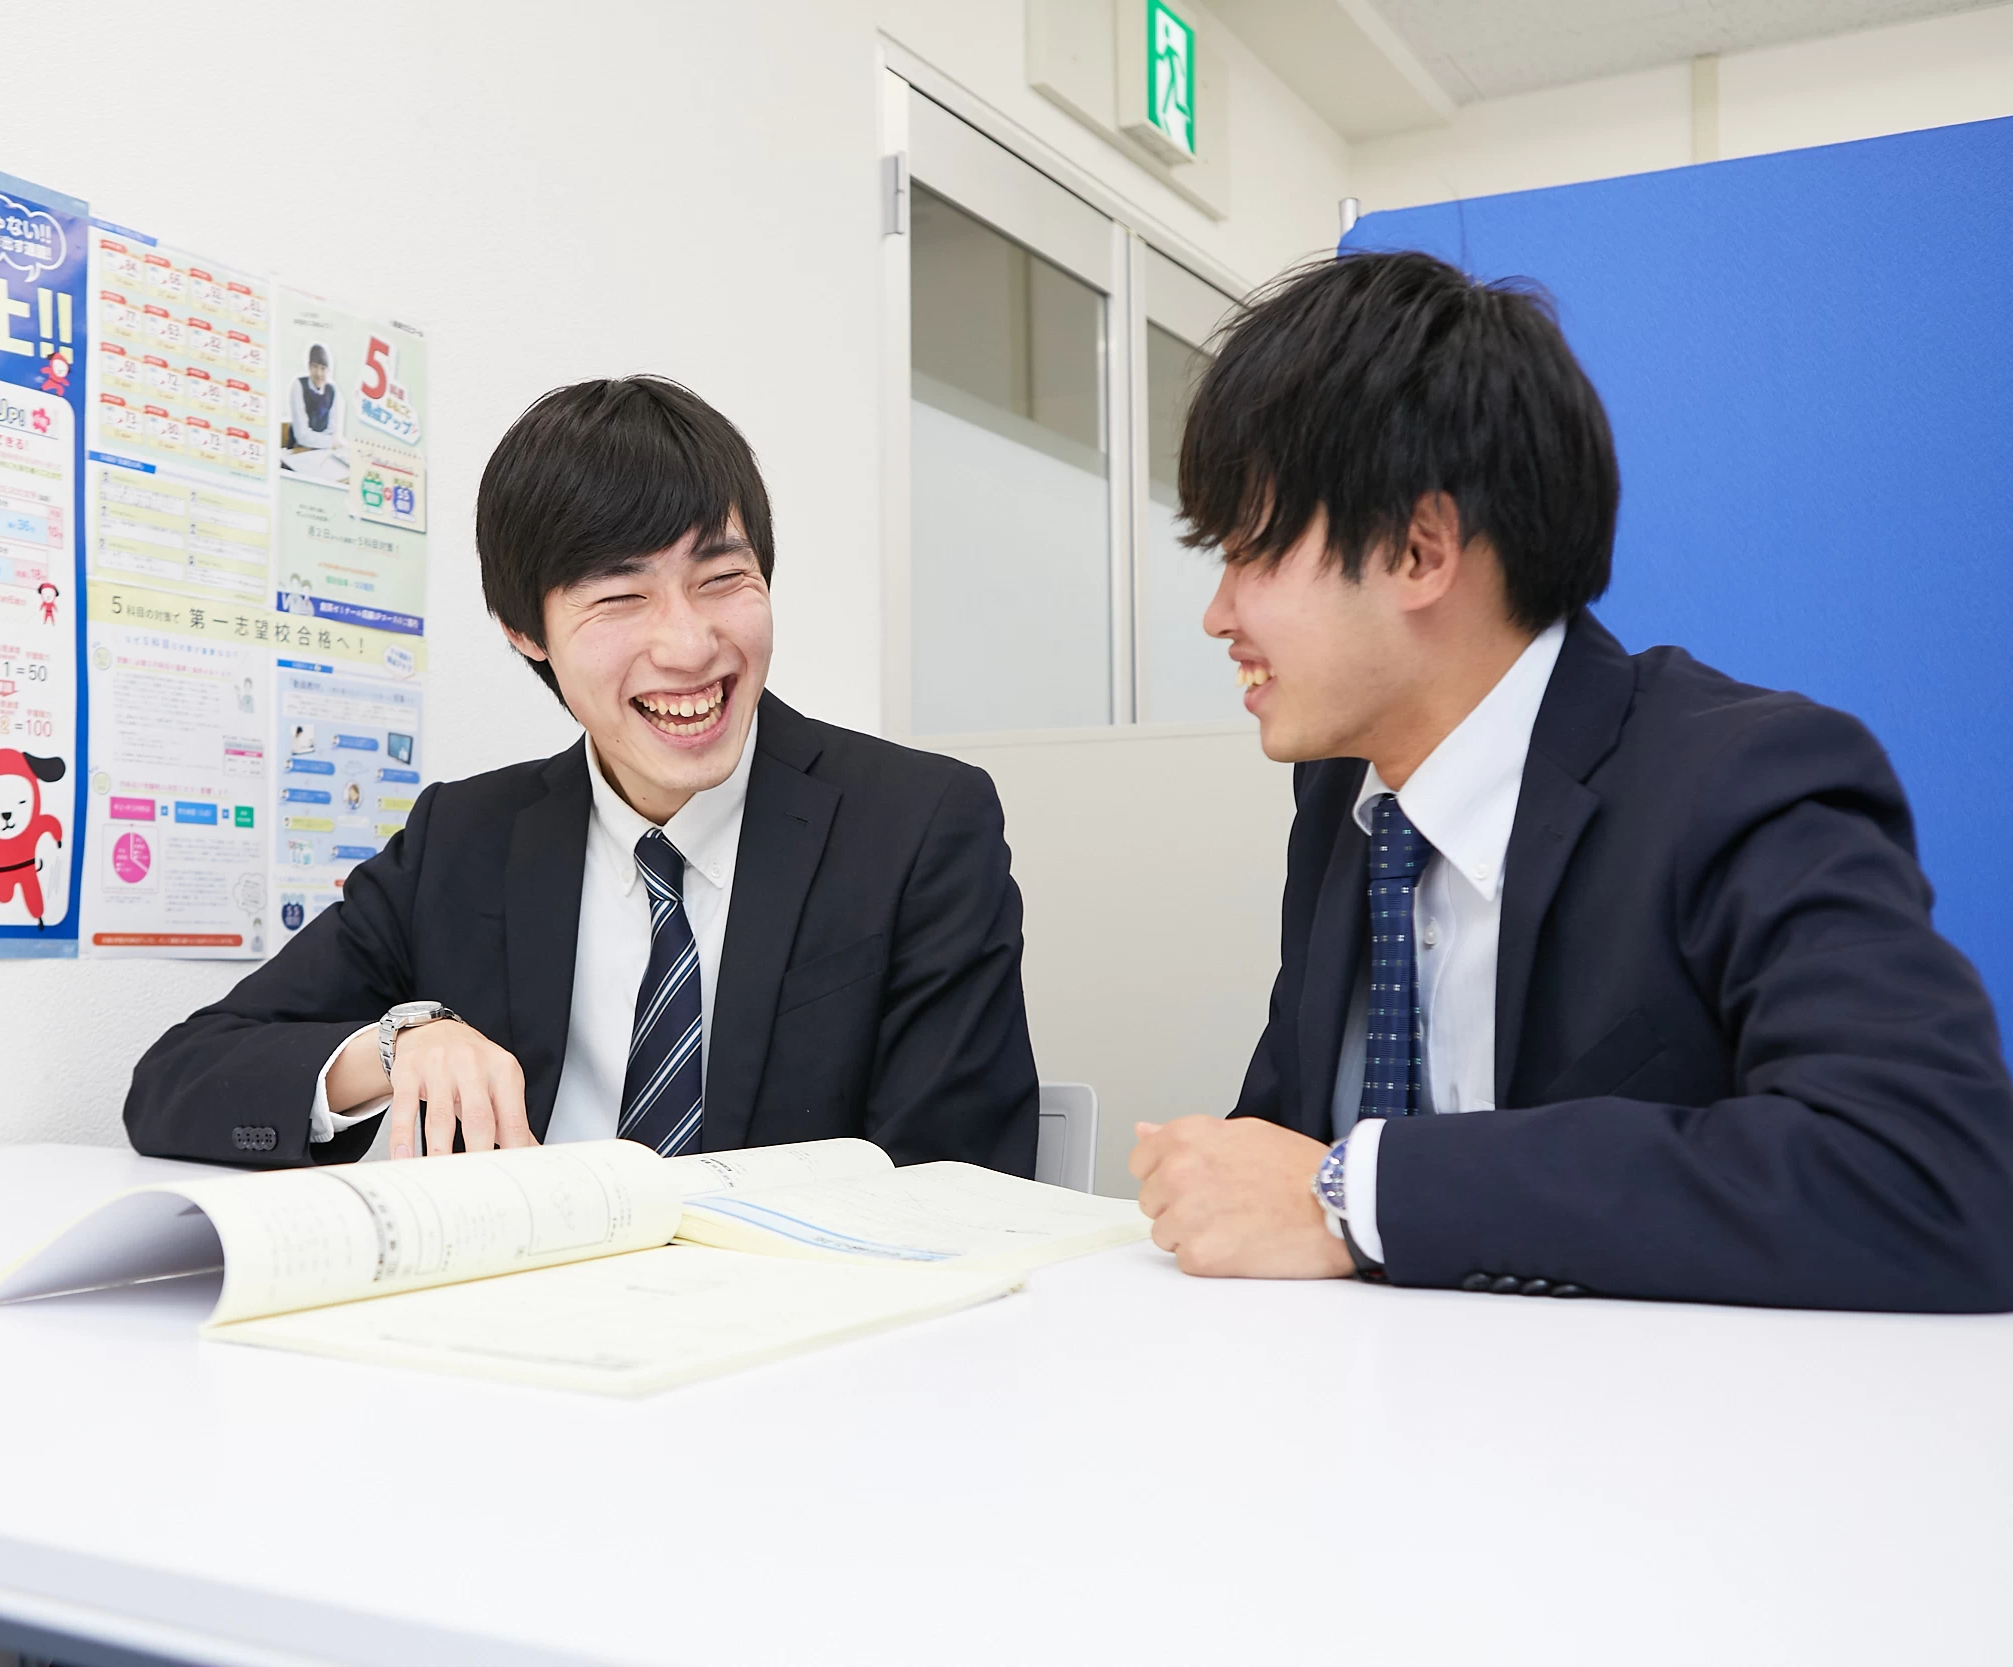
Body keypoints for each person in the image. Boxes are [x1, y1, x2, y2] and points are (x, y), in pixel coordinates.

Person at [1128, 250, 2013, 1312]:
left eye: (1251, 552)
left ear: (1419, 549)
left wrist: (1359, 1192)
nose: (1218, 615)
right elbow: (1282, 1151)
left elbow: (1933, 1174)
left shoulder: (1742, 780)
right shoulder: (1342, 799)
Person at [125, 377, 1038, 1172]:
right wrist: (397, 1045)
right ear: (528, 631)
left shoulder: (918, 826)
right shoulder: (464, 840)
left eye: (722, 578)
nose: (688, 644)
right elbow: (177, 1080)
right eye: (620, 597)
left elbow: (955, 1186)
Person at [285, 343, 344, 454]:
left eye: (323, 368)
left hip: (323, 452)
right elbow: (302, 435)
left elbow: (333, 429)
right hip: (298, 449)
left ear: (329, 370)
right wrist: (330, 442)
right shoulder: (298, 385)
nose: (318, 373)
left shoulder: (333, 390)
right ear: (309, 366)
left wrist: (328, 442)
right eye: (314, 366)